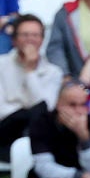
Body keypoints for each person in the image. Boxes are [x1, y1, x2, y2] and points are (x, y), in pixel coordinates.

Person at [27, 80, 90, 178]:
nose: (79, 111)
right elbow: (43, 167)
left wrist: (84, 137)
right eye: (72, 105)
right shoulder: (42, 123)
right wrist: (79, 176)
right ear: (58, 105)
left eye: (83, 105)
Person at [0, 15, 63, 152]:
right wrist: (23, 112)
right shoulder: (1, 64)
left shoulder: (53, 72)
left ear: (41, 40)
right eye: (25, 35)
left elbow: (45, 108)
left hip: (37, 128)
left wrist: (30, 71)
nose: (30, 40)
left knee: (41, 115)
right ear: (14, 40)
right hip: (5, 127)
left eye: (35, 35)